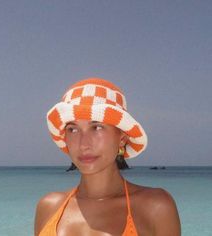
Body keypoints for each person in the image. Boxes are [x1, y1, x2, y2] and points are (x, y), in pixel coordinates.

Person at [34, 77, 181, 236]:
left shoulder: (156, 208)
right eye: (73, 130)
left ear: (122, 138)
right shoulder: (49, 207)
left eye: (96, 127)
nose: (84, 144)